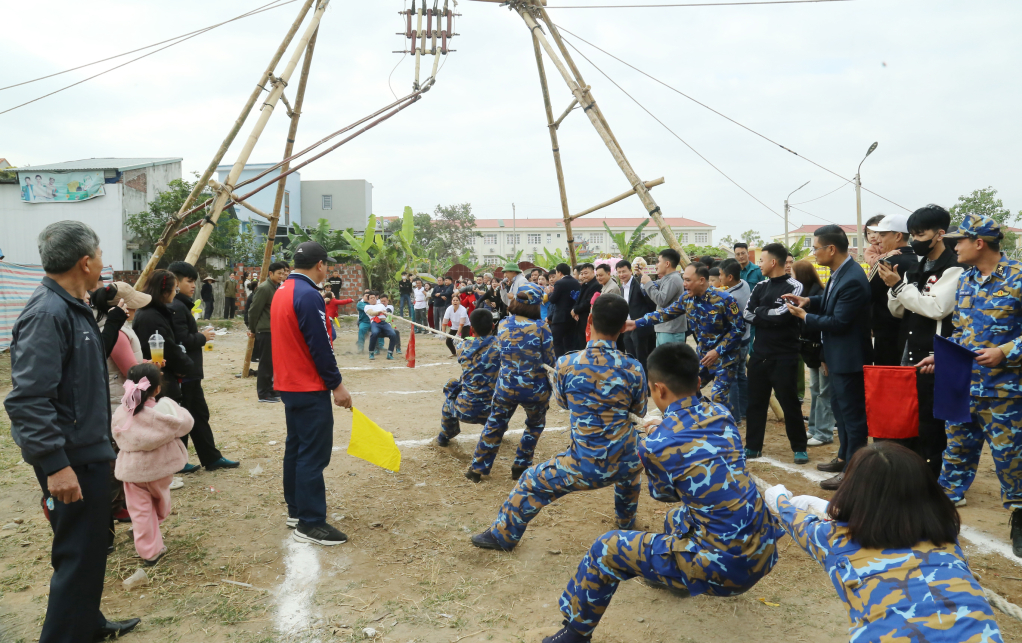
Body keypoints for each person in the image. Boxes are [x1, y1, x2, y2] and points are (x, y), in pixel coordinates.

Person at [544, 342, 781, 643]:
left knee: (606, 548)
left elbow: (665, 492)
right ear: (698, 382)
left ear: (658, 390)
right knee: (676, 518)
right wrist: (666, 426)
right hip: (764, 550)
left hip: (729, 569)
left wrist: (656, 437)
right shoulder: (721, 414)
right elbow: (692, 435)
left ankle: (575, 633)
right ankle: (678, 582)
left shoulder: (655, 445)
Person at [5, 220, 141, 642]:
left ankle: (89, 623)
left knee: (90, 551)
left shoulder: (72, 305)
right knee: (77, 554)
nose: (103, 264)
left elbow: (82, 368)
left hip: (90, 450)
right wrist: (55, 465)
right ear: (86, 261)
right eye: (100, 255)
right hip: (72, 459)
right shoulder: (47, 314)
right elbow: (27, 400)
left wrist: (111, 312)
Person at [765, 442, 1003, 642]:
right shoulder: (945, 531)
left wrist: (779, 498)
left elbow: (791, 516)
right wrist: (829, 508)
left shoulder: (831, 539)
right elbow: (894, 515)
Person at [472, 294, 646, 554]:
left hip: (585, 464)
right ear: (623, 327)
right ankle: (625, 520)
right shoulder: (634, 368)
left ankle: (503, 536)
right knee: (630, 468)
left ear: (589, 320)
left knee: (531, 480)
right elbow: (639, 411)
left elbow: (563, 403)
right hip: (627, 460)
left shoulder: (567, 363)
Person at [918, 214, 1022, 554]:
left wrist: (1005, 351)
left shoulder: (1018, 278)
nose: (954, 246)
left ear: (979, 243)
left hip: (1006, 392)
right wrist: (943, 356)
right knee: (957, 452)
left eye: (959, 241)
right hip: (964, 386)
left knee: (1011, 460)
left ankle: (1020, 518)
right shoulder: (965, 280)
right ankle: (942, 513)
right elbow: (962, 332)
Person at [270, 241, 353, 546]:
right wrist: (337, 385)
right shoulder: (308, 294)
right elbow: (319, 345)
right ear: (320, 265)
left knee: (296, 447)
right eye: (327, 266)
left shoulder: (283, 290)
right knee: (312, 454)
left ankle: (296, 510)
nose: (328, 271)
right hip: (307, 385)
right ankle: (311, 521)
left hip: (289, 383)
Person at [783, 225, 872, 491]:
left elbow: (839, 321)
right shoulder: (839, 272)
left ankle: (852, 472)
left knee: (853, 415)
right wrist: (808, 302)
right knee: (841, 412)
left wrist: (804, 317)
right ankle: (844, 456)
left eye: (816, 248)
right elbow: (831, 303)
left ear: (831, 249)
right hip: (837, 356)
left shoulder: (853, 278)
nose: (814, 253)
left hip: (849, 358)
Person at [878, 205, 962, 474]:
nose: (915, 240)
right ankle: (913, 472)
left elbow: (937, 308)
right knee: (910, 415)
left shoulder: (954, 267)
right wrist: (899, 288)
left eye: (920, 233)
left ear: (939, 234)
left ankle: (934, 477)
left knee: (932, 419)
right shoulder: (916, 266)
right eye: (912, 234)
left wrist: (901, 288)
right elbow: (897, 308)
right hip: (909, 349)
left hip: (935, 354)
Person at [628, 262, 744, 417]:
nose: (684, 284)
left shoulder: (725, 299)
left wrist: (717, 351)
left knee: (718, 396)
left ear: (702, 280)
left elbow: (738, 329)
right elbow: (664, 314)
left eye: (688, 280)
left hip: (725, 358)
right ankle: (700, 418)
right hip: (703, 357)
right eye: (684, 280)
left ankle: (729, 423)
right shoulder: (687, 299)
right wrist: (636, 323)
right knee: (687, 389)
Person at [467, 284, 555, 482]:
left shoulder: (504, 324)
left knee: (495, 423)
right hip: (535, 388)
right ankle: (520, 466)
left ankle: (477, 469)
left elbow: (499, 353)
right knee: (534, 425)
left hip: (506, 386)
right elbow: (550, 361)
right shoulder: (542, 328)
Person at [112, 364, 193, 566]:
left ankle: (149, 550)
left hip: (132, 471)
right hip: (160, 469)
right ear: (157, 389)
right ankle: (148, 529)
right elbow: (185, 423)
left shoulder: (122, 413)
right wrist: (171, 404)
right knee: (160, 503)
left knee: (139, 510)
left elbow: (115, 433)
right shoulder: (163, 414)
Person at [167, 261, 238, 472]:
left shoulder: (180, 305)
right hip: (185, 372)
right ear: (176, 282)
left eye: (193, 281)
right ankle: (184, 460)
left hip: (188, 372)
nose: (192, 286)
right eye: (189, 281)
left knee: (196, 416)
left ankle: (207, 458)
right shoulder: (177, 307)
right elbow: (181, 340)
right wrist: (202, 336)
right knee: (190, 416)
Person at [741, 244, 808, 464]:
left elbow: (783, 315)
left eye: (761, 260)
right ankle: (753, 446)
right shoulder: (760, 286)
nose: (758, 264)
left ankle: (799, 447)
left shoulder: (795, 286)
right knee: (756, 403)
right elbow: (746, 314)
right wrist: (765, 314)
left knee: (789, 403)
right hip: (759, 355)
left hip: (785, 355)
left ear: (773, 262)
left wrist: (761, 312)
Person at [437, 309, 500, 446]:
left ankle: (445, 435)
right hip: (493, 409)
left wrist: (469, 338)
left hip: (465, 408)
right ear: (493, 326)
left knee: (451, 390)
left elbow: (472, 340)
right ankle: (497, 430)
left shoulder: (462, 347)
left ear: (471, 328)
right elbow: (492, 340)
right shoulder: (501, 345)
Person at [133, 271, 193, 403]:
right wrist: (185, 366)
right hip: (158, 379)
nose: (175, 293)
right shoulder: (151, 317)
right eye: (174, 290)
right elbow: (167, 349)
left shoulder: (152, 312)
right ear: (165, 292)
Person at [792, 261, 834, 447]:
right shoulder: (806, 295)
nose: (793, 280)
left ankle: (824, 432)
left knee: (824, 391)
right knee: (816, 390)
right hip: (812, 351)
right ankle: (815, 428)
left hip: (821, 350)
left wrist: (824, 355)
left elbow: (823, 328)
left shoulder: (818, 295)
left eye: (794, 275)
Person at [865, 214, 917, 366]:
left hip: (886, 333)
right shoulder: (917, 260)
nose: (877, 239)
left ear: (898, 236)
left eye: (882, 235)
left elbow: (866, 294)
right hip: (910, 331)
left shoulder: (886, 263)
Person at [248, 262, 287, 402]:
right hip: (265, 331)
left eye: (283, 273)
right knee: (266, 362)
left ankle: (271, 389)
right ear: (270, 274)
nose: (281, 276)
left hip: (274, 330)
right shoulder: (264, 288)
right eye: (279, 273)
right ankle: (263, 393)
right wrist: (252, 329)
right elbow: (254, 310)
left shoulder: (276, 287)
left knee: (273, 362)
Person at [718, 259, 751, 422]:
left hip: (735, 341)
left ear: (730, 277)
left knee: (731, 379)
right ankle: (745, 410)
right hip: (746, 338)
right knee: (741, 374)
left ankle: (735, 416)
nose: (719, 278)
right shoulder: (744, 284)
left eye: (721, 275)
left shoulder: (731, 298)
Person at [640, 249, 687, 346]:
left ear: (667, 264)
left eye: (658, 262)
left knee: (669, 360)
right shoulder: (667, 278)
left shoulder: (673, 279)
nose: (656, 265)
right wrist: (643, 277)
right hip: (665, 329)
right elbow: (653, 285)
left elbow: (660, 300)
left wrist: (648, 282)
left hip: (671, 331)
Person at [617, 259, 656, 374]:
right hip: (627, 327)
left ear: (630, 271)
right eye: (619, 272)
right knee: (630, 358)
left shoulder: (640, 284)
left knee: (642, 358)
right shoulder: (622, 287)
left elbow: (651, 304)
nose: (621, 275)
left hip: (640, 326)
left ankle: (646, 386)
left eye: (623, 271)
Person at [547, 263, 581, 357]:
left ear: (560, 272)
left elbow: (553, 299)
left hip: (559, 318)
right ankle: (570, 362)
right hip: (572, 317)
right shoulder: (576, 282)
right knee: (569, 343)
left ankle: (560, 363)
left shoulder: (559, 283)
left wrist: (549, 293)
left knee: (557, 342)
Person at [363, 293, 399, 360]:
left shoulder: (381, 305)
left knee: (393, 334)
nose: (373, 299)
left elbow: (386, 315)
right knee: (374, 333)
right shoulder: (367, 307)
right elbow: (371, 313)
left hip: (384, 322)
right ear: (368, 300)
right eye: (371, 298)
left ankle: (390, 353)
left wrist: (386, 313)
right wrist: (379, 312)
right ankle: (371, 352)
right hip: (375, 323)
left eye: (374, 297)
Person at [572, 263, 600, 348]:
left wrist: (575, 310)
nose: (583, 276)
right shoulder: (585, 284)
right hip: (581, 319)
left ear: (593, 272)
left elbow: (588, 302)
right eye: (582, 273)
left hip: (588, 319)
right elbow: (579, 300)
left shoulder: (596, 285)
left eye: (586, 273)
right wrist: (574, 309)